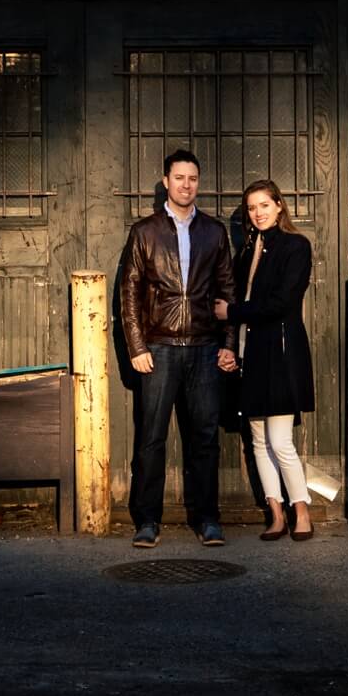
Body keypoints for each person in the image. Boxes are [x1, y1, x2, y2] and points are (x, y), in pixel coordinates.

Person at [118, 147, 238, 547]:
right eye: (179, 178)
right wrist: (137, 345)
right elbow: (129, 294)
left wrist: (229, 344)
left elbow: (227, 291)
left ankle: (207, 519)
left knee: (203, 436)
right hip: (160, 346)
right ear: (166, 181)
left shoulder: (214, 231)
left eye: (193, 178)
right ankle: (147, 520)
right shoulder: (145, 231)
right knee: (151, 437)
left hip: (205, 346)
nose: (187, 185)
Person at [216, 177, 315, 542]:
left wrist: (233, 312)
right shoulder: (246, 251)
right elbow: (237, 302)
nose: (257, 213)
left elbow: (282, 304)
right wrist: (231, 346)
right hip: (250, 351)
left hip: (281, 353)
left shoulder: (295, 246)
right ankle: (276, 514)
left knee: (280, 441)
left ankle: (301, 508)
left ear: (279, 206)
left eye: (263, 205)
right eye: (251, 208)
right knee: (257, 440)